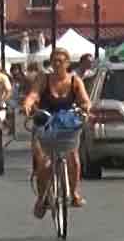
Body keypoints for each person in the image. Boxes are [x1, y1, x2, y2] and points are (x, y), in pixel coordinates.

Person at [19, 47, 92, 215]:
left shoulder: (75, 80)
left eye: (60, 61)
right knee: (42, 161)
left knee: (73, 156)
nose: (57, 64)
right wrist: (28, 105)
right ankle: (41, 199)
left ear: (67, 63)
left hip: (66, 125)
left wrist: (86, 108)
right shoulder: (43, 78)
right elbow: (34, 95)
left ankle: (73, 193)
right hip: (44, 122)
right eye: (54, 61)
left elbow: (84, 100)